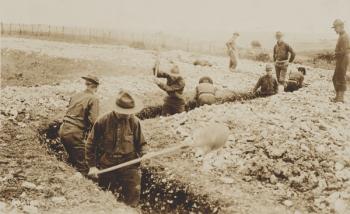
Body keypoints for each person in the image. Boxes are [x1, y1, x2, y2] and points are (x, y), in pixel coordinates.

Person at [86, 90, 146, 207]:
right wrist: (92, 166)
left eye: (129, 112)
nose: (127, 114)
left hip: (129, 163)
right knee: (106, 196)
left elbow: (142, 144)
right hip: (108, 164)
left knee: (133, 193)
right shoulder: (102, 121)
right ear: (116, 109)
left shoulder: (134, 122)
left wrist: (145, 154)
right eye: (125, 112)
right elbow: (90, 144)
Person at [58, 75, 100, 175]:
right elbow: (94, 121)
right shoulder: (93, 99)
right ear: (96, 87)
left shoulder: (76, 95)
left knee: (73, 159)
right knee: (83, 165)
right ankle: (85, 185)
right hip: (74, 133)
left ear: (86, 84)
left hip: (63, 130)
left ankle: (72, 176)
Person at [331, 19, 350, 103]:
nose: (335, 29)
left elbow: (345, 51)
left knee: (340, 77)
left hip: (343, 59)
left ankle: (340, 98)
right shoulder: (342, 35)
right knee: (336, 77)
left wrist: (336, 54)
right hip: (341, 59)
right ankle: (338, 97)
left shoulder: (344, 36)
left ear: (340, 27)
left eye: (335, 27)